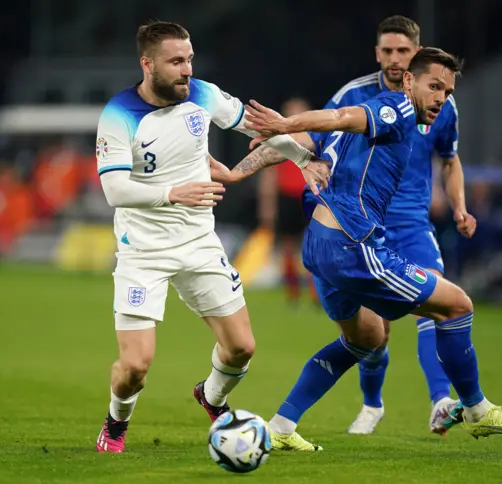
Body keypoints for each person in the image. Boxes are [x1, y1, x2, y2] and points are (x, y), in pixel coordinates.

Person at [223, 47, 502, 450]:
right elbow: (338, 118)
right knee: (457, 304)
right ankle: (476, 409)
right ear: (409, 81)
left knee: (365, 339)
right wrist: (284, 123)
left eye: (447, 90)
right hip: (352, 246)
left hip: (319, 245)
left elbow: (310, 140)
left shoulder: (385, 111)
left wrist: (236, 171)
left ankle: (281, 426)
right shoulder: (396, 110)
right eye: (434, 86)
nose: (441, 98)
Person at [94, 19, 329, 453]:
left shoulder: (204, 94)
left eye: (189, 59)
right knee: (135, 366)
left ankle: (212, 396)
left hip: (200, 243)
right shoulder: (118, 114)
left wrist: (301, 160)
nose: (186, 69)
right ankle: (115, 423)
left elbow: (262, 130)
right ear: (147, 64)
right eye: (176, 61)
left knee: (241, 347)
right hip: (142, 252)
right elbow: (114, 189)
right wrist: (173, 192)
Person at [309, 15, 475, 436]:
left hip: (412, 223)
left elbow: (450, 159)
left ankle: (441, 401)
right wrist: (301, 156)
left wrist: (459, 206)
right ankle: (372, 404)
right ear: (376, 53)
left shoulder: (441, 101)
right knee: (374, 335)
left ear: (416, 53)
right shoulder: (355, 94)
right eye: (387, 51)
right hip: (360, 225)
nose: (395, 59)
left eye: (403, 51)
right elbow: (318, 135)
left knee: (437, 303)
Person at [258, 97, 318, 306]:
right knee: (288, 247)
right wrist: (268, 205)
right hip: (286, 198)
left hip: (310, 194)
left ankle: (316, 293)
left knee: (313, 246)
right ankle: (293, 291)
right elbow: (269, 174)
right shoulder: (278, 139)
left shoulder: (314, 137)